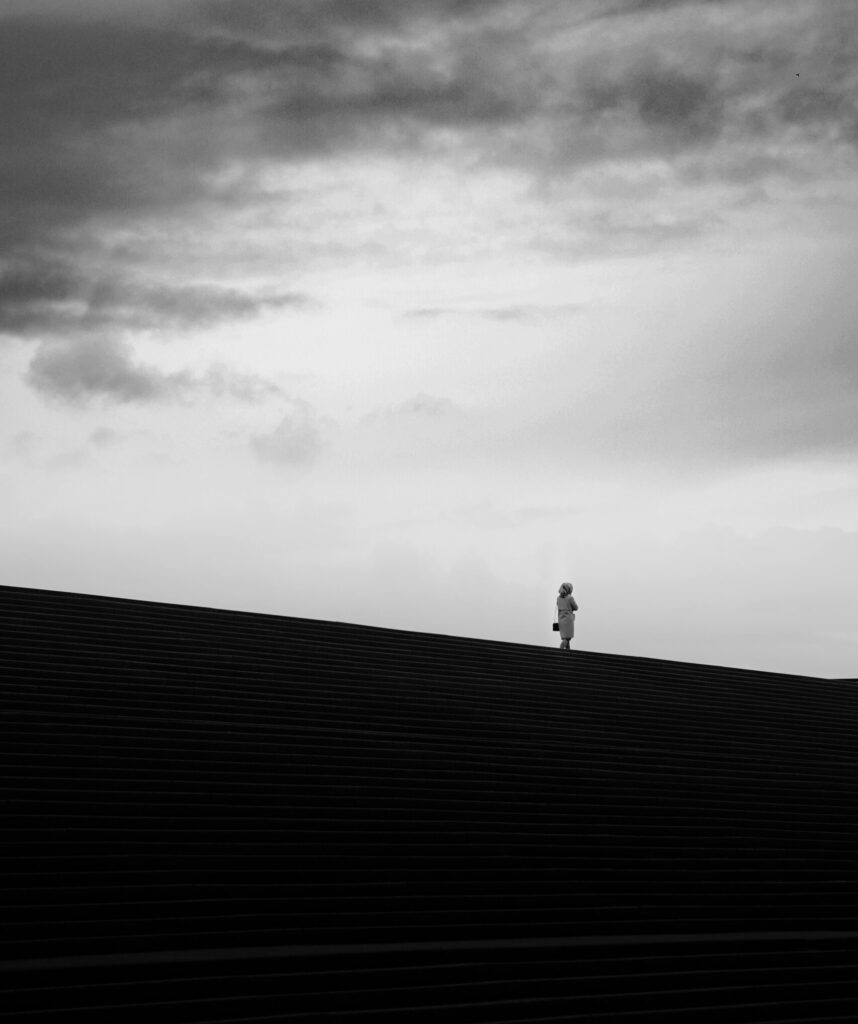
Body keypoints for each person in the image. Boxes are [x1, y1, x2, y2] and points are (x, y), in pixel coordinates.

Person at [556, 582, 578, 650]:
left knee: (565, 637)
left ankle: (568, 651)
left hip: (560, 619)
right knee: (568, 637)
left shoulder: (558, 598)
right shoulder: (570, 598)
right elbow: (576, 607)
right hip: (568, 619)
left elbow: (558, 606)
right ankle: (560, 650)